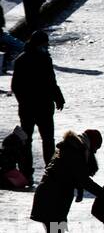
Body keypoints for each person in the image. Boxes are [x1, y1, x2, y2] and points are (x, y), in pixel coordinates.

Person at [30, 129, 103, 233]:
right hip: (51, 200)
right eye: (95, 149)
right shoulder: (73, 153)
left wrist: (79, 191)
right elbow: (82, 178)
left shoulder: (72, 149)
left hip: (52, 198)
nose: (94, 153)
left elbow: (71, 174)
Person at [11, 30, 63, 169]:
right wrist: (25, 102)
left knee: (46, 141)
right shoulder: (22, 61)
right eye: (44, 45)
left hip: (43, 107)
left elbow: (51, 81)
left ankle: (49, 170)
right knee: (29, 141)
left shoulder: (46, 58)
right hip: (31, 108)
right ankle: (28, 171)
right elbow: (16, 86)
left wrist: (59, 97)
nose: (45, 48)